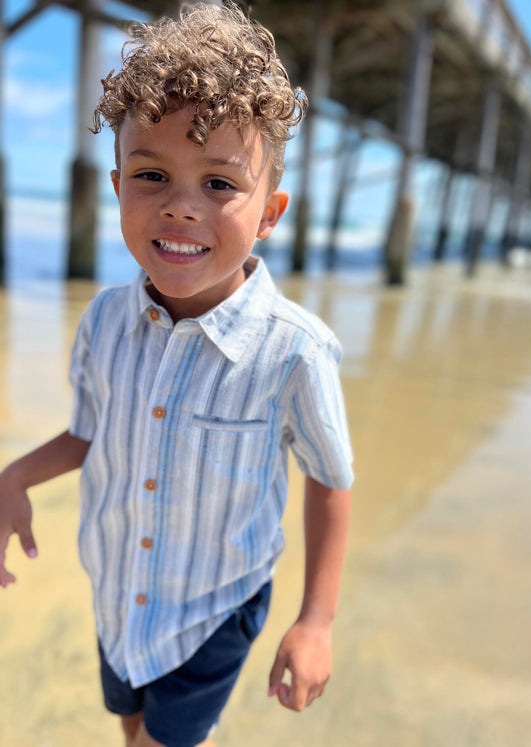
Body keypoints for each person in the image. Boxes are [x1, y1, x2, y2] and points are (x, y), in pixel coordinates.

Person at [0, 3, 353, 746]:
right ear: (118, 184)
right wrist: (14, 476)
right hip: (117, 594)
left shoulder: (294, 350)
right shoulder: (102, 321)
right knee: (132, 724)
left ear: (269, 213)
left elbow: (329, 477)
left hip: (213, 608)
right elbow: (91, 433)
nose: (181, 207)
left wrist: (315, 619)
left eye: (221, 185)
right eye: (151, 174)